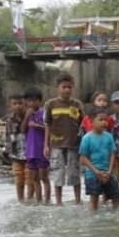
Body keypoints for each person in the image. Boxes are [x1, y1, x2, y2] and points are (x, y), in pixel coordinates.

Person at [44, 73, 84, 205]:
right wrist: (46, 145)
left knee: (74, 173)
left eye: (69, 87)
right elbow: (48, 125)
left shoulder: (77, 104)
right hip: (56, 143)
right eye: (64, 87)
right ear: (58, 88)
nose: (67, 89)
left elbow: (82, 124)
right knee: (58, 174)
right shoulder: (50, 104)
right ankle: (59, 202)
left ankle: (78, 201)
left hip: (74, 143)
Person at [79, 108, 119, 211]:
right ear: (91, 121)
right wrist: (97, 172)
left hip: (108, 173)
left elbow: (112, 154)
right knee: (94, 200)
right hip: (92, 174)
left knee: (116, 198)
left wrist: (110, 171)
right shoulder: (86, 138)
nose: (104, 122)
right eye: (100, 120)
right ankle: (93, 220)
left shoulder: (109, 137)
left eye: (105, 120)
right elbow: (83, 158)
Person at [22, 88, 50, 204]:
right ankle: (39, 201)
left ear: (39, 101)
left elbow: (49, 129)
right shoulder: (28, 114)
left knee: (44, 177)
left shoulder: (44, 113)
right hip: (30, 150)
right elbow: (23, 129)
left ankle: (47, 201)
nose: (31, 104)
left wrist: (37, 125)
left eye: (34, 101)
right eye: (29, 101)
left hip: (41, 150)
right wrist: (27, 117)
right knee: (34, 178)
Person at [4, 94, 27, 202]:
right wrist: (8, 153)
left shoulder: (30, 117)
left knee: (31, 179)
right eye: (15, 104)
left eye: (20, 103)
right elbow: (8, 136)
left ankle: (33, 200)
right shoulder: (9, 119)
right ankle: (20, 200)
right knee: (18, 179)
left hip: (29, 153)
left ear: (24, 104)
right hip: (16, 154)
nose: (18, 106)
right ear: (10, 106)